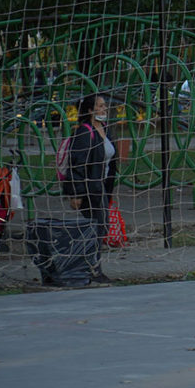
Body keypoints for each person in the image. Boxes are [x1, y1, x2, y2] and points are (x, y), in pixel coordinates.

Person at [61, 93, 119, 283]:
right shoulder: (84, 132)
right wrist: (75, 194)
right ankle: (93, 269)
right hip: (89, 188)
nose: (104, 109)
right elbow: (77, 165)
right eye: (100, 106)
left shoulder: (104, 129)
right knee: (95, 228)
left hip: (102, 186)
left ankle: (91, 267)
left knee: (100, 227)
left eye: (104, 106)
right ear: (90, 110)